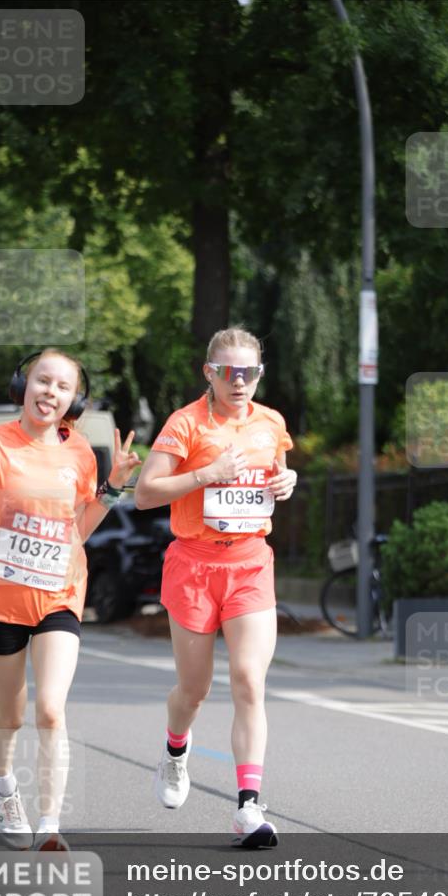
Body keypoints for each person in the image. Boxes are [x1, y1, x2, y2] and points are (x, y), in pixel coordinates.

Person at [0, 349, 140, 849]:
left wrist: (112, 489)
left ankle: (50, 825)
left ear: (74, 399)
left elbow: (80, 529)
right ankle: (4, 784)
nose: (50, 392)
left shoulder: (81, 454)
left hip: (59, 594)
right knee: (12, 716)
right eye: (42, 381)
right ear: (23, 385)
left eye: (62, 386)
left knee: (51, 709)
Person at [135, 327, 297, 848]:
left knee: (249, 679)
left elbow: (279, 473)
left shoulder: (270, 422)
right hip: (194, 565)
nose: (241, 382)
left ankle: (249, 806)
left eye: (250, 373)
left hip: (250, 562)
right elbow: (145, 494)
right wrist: (207, 473)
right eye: (229, 372)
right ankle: (175, 749)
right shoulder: (185, 424)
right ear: (210, 373)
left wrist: (285, 483)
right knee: (195, 689)